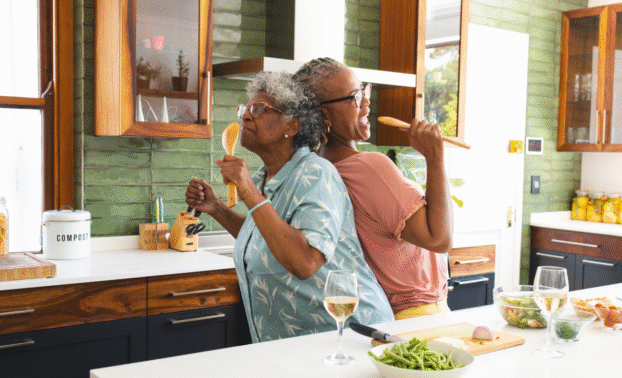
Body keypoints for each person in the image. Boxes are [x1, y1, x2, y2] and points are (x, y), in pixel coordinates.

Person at [185, 72, 393, 342]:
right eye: (245, 109)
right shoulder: (263, 178)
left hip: (351, 336)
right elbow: (267, 237)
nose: (246, 116)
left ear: (292, 125)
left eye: (259, 109)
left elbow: (304, 262)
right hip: (300, 345)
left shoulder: (317, 174)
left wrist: (247, 192)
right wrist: (217, 208)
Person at [293, 58, 454, 320]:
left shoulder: (317, 170)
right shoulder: (369, 168)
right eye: (355, 97)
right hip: (418, 313)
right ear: (324, 116)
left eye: (364, 90)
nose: (367, 101)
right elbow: (439, 239)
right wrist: (435, 157)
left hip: (384, 313)